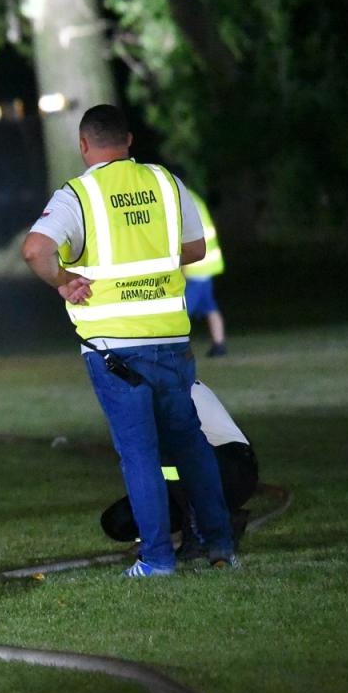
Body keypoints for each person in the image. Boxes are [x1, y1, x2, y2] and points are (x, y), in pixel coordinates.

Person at [21, 104, 238, 576]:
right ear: (129, 140)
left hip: (115, 349)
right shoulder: (166, 182)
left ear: (83, 145)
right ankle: (220, 544)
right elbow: (196, 247)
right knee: (190, 445)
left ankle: (158, 559)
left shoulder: (78, 194)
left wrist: (62, 279)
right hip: (171, 340)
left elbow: (35, 249)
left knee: (139, 455)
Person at [100, 379, 258, 553]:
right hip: (230, 470)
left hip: (230, 468)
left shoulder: (165, 388)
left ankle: (199, 532)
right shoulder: (165, 377)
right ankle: (214, 521)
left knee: (168, 459)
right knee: (118, 521)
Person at [184, 191, 228, 357]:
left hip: (195, 267)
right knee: (210, 307)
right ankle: (219, 344)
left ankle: (179, 350)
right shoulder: (194, 199)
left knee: (182, 312)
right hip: (206, 265)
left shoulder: (181, 199)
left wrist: (183, 269)